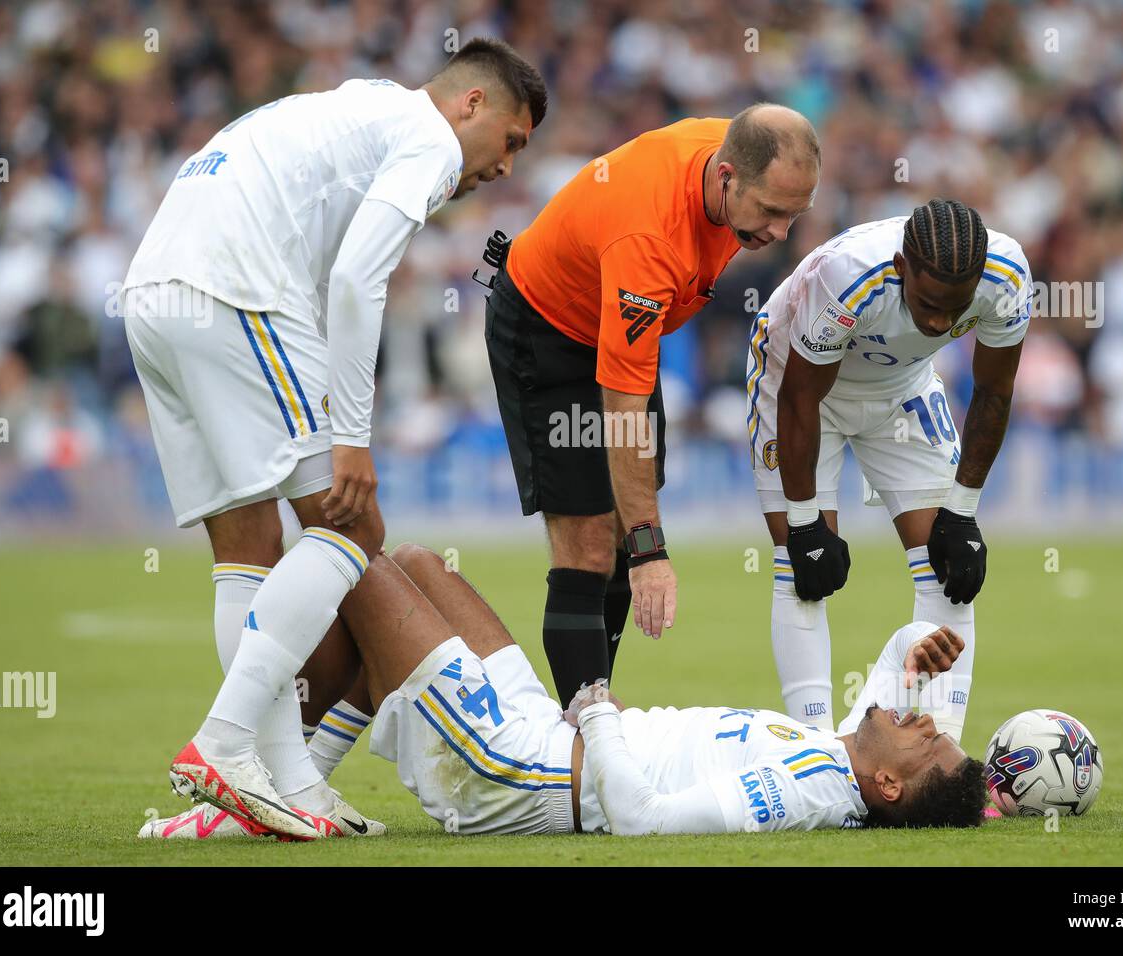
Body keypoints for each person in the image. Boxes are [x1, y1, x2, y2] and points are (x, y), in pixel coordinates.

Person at [120, 38, 547, 839]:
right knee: (352, 525)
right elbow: (358, 280)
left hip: (153, 297)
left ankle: (285, 790)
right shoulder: (425, 135)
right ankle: (223, 741)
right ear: (471, 105)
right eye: (512, 142)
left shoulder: (358, 108)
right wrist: (351, 435)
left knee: (246, 544)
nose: (505, 168)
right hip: (231, 293)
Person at [294, 543, 986, 836]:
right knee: (416, 566)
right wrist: (911, 649)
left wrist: (598, 718)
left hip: (517, 770)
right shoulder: (837, 756)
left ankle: (286, 782)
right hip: (550, 732)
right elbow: (882, 703)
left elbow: (643, 820)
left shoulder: (804, 792)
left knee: (361, 562)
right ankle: (303, 786)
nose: (925, 721)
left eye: (926, 739)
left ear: (888, 786)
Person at [485, 103, 820, 707]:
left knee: (619, 528)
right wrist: (651, 551)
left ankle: (589, 712)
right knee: (593, 542)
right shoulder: (648, 237)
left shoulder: (743, 150)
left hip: (620, 319)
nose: (779, 234)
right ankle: (582, 744)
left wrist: (634, 538)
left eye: (795, 214)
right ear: (725, 178)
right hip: (548, 332)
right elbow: (624, 414)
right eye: (770, 212)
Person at [747, 199, 1031, 737]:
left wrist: (963, 511)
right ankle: (812, 753)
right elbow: (801, 398)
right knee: (803, 567)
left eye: (956, 308)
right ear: (901, 267)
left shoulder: (1008, 275)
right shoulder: (848, 274)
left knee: (952, 571)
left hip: (903, 387)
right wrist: (805, 520)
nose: (939, 322)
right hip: (798, 382)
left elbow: (994, 392)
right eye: (926, 304)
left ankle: (940, 752)